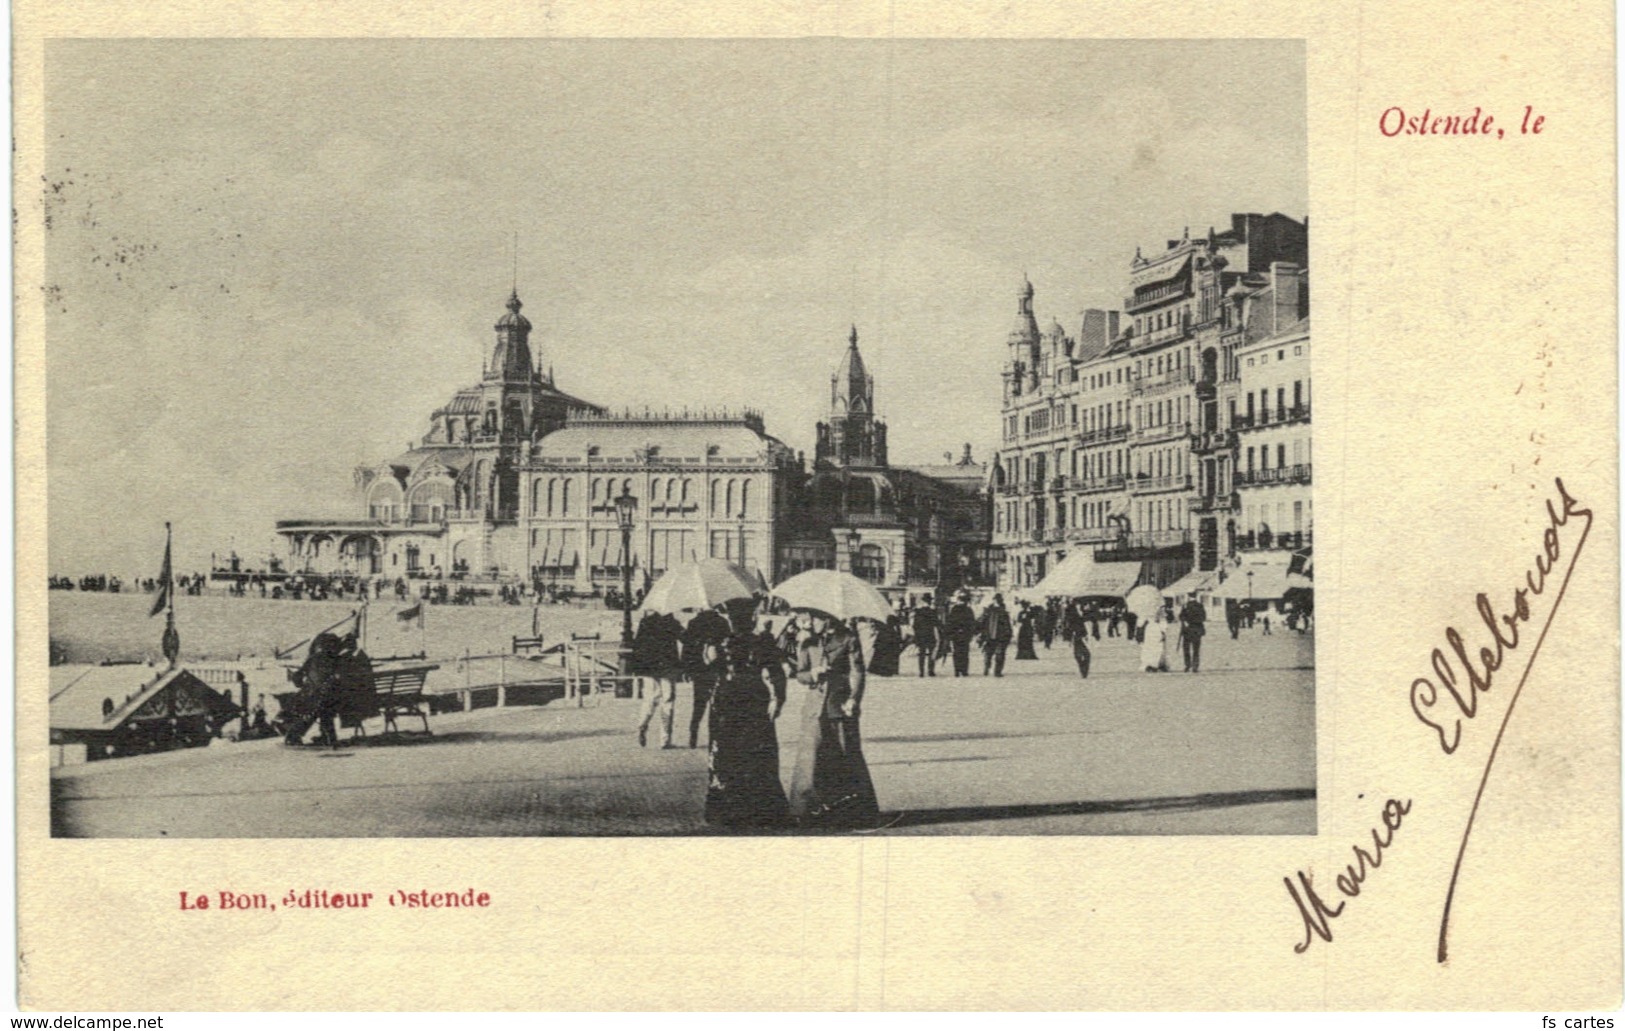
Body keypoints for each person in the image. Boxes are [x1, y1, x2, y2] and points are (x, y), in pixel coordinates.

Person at [788, 608, 879, 828]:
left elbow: (857, 671)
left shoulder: (848, 638)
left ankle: (853, 811)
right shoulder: (808, 643)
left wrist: (854, 699)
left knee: (846, 754)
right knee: (810, 761)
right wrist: (812, 674)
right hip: (813, 709)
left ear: (826, 620)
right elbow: (799, 673)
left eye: (814, 618)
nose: (809, 622)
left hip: (839, 706)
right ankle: (807, 811)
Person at [704, 598, 790, 827]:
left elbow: (709, 671)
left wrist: (708, 654)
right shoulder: (762, 641)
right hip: (753, 699)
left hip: (727, 699)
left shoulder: (720, 642)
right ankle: (761, 807)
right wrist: (778, 699)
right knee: (758, 753)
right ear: (752, 618)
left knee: (727, 752)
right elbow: (777, 673)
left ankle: (727, 808)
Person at [632, 609, 683, 748]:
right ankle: (665, 740)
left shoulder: (645, 622)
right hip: (668, 667)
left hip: (649, 668)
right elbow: (685, 637)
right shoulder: (671, 622)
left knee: (650, 699)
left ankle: (642, 724)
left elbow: (637, 645)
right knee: (668, 702)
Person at [682, 604, 730, 749]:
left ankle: (693, 732)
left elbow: (687, 648)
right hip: (718, 667)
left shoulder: (694, 623)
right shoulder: (722, 622)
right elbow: (728, 645)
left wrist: (686, 669)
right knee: (716, 704)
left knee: (699, 703)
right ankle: (714, 737)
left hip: (699, 669)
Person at [945, 591, 979, 677]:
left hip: (955, 634)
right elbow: (972, 623)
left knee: (956, 652)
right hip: (965, 634)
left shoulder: (954, 610)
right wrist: (971, 634)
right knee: (964, 653)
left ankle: (957, 670)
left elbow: (950, 622)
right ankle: (964, 671)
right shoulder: (968, 610)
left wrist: (950, 634)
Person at [979, 594, 1013, 677]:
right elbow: (1007, 625)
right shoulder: (1003, 612)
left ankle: (987, 668)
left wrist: (981, 633)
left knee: (988, 653)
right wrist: (1009, 634)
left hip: (989, 635)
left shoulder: (987, 611)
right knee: (999, 654)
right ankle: (996, 671)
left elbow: (981, 622)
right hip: (1000, 636)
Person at [910, 594, 941, 677]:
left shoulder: (918, 611)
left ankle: (921, 672)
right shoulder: (932, 611)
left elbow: (915, 625)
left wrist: (916, 635)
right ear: (930, 601)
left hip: (920, 635)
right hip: (930, 634)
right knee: (931, 652)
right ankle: (930, 671)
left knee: (922, 653)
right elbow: (937, 623)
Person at [1178, 597, 1207, 673]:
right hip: (1197, 630)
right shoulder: (1200, 606)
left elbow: (1181, 616)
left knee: (1186, 648)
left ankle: (1187, 665)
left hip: (1187, 630)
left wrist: (1186, 621)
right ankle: (1195, 665)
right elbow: (1203, 617)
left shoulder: (1185, 606)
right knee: (1196, 649)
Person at [1071, 604, 1092, 679]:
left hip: (1080, 636)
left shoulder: (1079, 614)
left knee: (1083, 654)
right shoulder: (1074, 615)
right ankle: (1083, 670)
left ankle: (1083, 670)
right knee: (1084, 654)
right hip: (1077, 636)